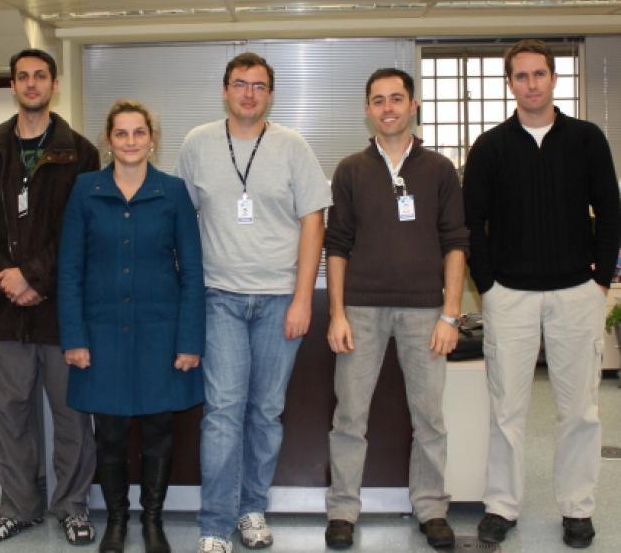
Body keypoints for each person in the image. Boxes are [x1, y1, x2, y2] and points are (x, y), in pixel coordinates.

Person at [463, 39, 620, 549]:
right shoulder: (489, 147)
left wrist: (599, 279)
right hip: (510, 295)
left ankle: (577, 508)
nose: (531, 84)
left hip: (578, 291)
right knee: (507, 408)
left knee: (579, 409)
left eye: (539, 74)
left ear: (554, 79)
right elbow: (472, 224)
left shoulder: (587, 139)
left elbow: (611, 210)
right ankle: (502, 506)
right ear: (510, 84)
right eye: (521, 76)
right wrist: (487, 284)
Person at [175, 52, 332, 553]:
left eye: (259, 86)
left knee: (265, 412)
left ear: (270, 94)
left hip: (279, 299)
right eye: (240, 84)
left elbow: (314, 221)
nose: (249, 93)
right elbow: (182, 222)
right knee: (222, 412)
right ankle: (215, 525)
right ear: (225, 90)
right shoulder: (198, 143)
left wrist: (303, 299)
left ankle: (251, 510)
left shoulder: (292, 146)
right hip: (219, 297)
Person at [322, 68, 469, 550]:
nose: (388, 107)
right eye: (378, 100)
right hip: (360, 311)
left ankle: (431, 509)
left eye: (396, 99)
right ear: (367, 109)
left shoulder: (440, 170)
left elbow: (455, 244)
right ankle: (342, 510)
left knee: (429, 418)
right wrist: (337, 313)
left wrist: (451, 315)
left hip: (425, 313)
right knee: (350, 417)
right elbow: (337, 245)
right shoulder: (350, 170)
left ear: (413, 106)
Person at [0, 48, 100, 546]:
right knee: (9, 416)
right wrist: (7, 277)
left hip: (60, 311)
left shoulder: (80, 152)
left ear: (54, 85)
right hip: (1, 314)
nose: (32, 84)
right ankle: (18, 506)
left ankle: (72, 506)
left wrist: (34, 277)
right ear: (13, 85)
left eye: (41, 76)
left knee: (70, 418)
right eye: (23, 76)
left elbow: (78, 231)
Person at [58, 99, 205, 553]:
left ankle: (153, 521)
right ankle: (117, 521)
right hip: (101, 335)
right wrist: (75, 338)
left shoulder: (174, 191)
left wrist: (188, 340)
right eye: (121, 133)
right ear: (108, 140)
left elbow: (193, 272)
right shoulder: (85, 190)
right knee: (113, 433)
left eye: (139, 133)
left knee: (161, 429)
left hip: (161, 333)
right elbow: (70, 270)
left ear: (152, 140)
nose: (130, 141)